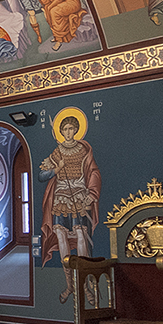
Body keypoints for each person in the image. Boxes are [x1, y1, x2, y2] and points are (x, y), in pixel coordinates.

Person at [38, 116, 101, 303]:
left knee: (81, 236)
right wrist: (56, 170)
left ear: (76, 130)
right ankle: (70, 285)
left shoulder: (84, 150)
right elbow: (42, 175)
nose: (67, 132)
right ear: (61, 132)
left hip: (79, 195)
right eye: (64, 129)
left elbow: (94, 172)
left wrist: (92, 194)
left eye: (71, 128)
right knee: (61, 237)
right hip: (60, 198)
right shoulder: (57, 152)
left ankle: (85, 286)